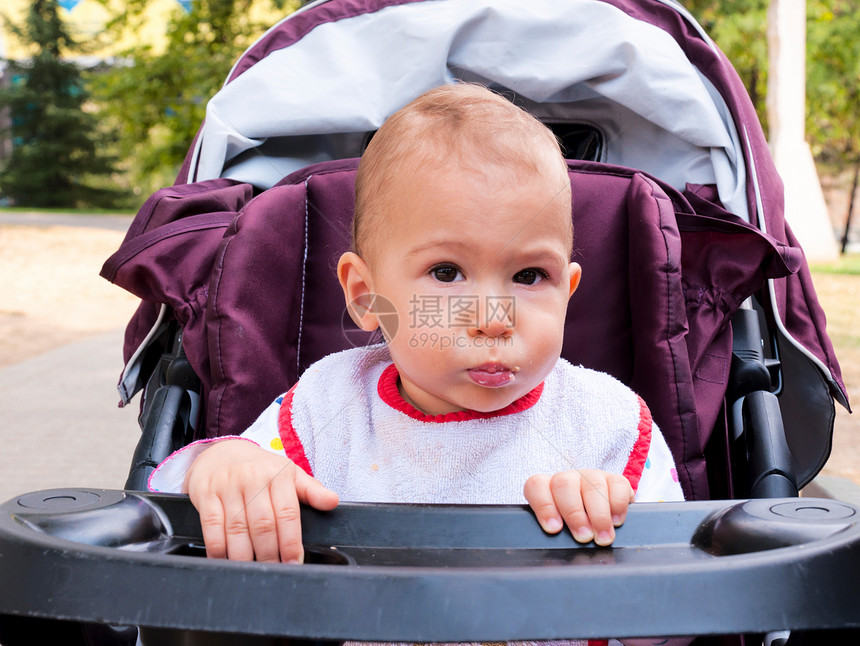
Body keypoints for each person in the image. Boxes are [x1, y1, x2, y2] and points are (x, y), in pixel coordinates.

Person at [149, 83, 683, 571]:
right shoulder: (326, 406)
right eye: (446, 273)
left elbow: (681, 596)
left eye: (528, 275)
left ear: (567, 293)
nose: (493, 319)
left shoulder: (606, 425)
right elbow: (187, 506)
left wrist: (621, 523)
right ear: (366, 296)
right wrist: (221, 465)